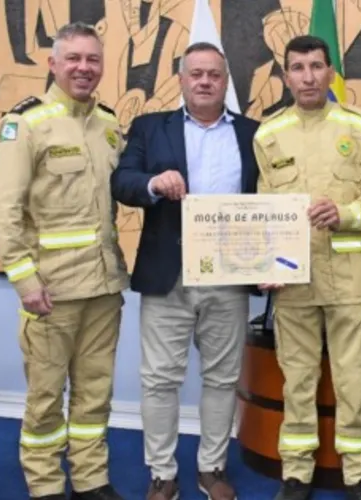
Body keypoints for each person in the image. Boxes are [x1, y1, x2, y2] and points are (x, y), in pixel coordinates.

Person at [109, 41, 261, 500]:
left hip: (228, 277)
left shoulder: (253, 134)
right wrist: (154, 183)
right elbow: (123, 181)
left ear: (226, 80)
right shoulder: (150, 128)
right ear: (180, 79)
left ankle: (212, 467)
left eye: (214, 74)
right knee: (159, 380)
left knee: (222, 378)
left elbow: (272, 202)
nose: (205, 81)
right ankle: (162, 472)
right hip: (167, 275)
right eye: (196, 73)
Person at [0, 22, 129, 500]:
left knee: (95, 393)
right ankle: (46, 484)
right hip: (51, 291)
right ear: (53, 63)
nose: (83, 68)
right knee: (45, 399)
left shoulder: (110, 124)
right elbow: (4, 210)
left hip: (104, 287)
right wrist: (25, 281)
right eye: (73, 59)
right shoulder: (25, 122)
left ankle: (91, 479)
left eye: (92, 59)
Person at [254, 35, 361, 500]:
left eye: (316, 66)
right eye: (298, 67)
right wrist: (262, 262)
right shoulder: (268, 134)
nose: (308, 76)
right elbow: (262, 211)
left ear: (331, 71)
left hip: (350, 281)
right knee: (298, 381)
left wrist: (345, 214)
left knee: (356, 381)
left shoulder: (357, 127)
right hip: (294, 284)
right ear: (286, 74)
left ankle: (360, 475)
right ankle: (297, 473)